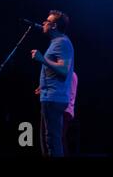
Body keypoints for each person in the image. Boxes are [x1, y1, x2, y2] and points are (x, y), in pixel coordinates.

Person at [31, 10, 74, 157]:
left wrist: (42, 59)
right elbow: (55, 71)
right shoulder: (56, 42)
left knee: (52, 141)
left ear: (54, 26)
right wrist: (42, 86)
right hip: (49, 96)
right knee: (47, 141)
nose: (43, 23)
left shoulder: (62, 42)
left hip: (54, 99)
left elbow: (63, 70)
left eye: (47, 21)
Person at [63, 71, 78, 156]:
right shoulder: (72, 75)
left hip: (65, 109)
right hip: (67, 110)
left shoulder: (70, 75)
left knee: (61, 137)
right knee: (62, 137)